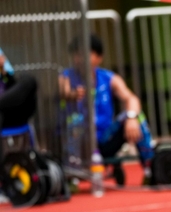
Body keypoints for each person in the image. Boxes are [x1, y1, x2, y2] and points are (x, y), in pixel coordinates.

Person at [59, 35, 154, 184]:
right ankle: (72, 177)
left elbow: (131, 99)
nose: (80, 59)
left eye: (86, 54)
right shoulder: (66, 77)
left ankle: (151, 170)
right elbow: (63, 92)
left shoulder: (109, 78)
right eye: (77, 54)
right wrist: (72, 95)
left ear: (99, 57)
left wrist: (131, 117)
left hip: (104, 139)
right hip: (79, 141)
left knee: (137, 116)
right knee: (75, 121)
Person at [0, 47, 37, 143]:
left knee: (27, 80)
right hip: (4, 118)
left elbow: (13, 88)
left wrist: (4, 72)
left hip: (11, 111)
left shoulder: (4, 78)